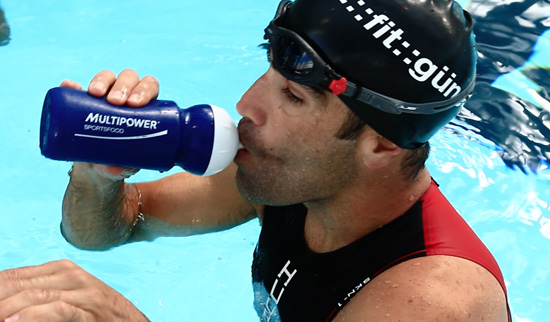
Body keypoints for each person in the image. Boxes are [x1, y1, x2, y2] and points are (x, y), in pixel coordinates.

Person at [0, 0, 511, 321]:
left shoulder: (430, 302)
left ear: (381, 145)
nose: (246, 104)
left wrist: (118, 315)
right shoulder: (291, 180)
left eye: (292, 96)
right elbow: (109, 231)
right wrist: (100, 172)